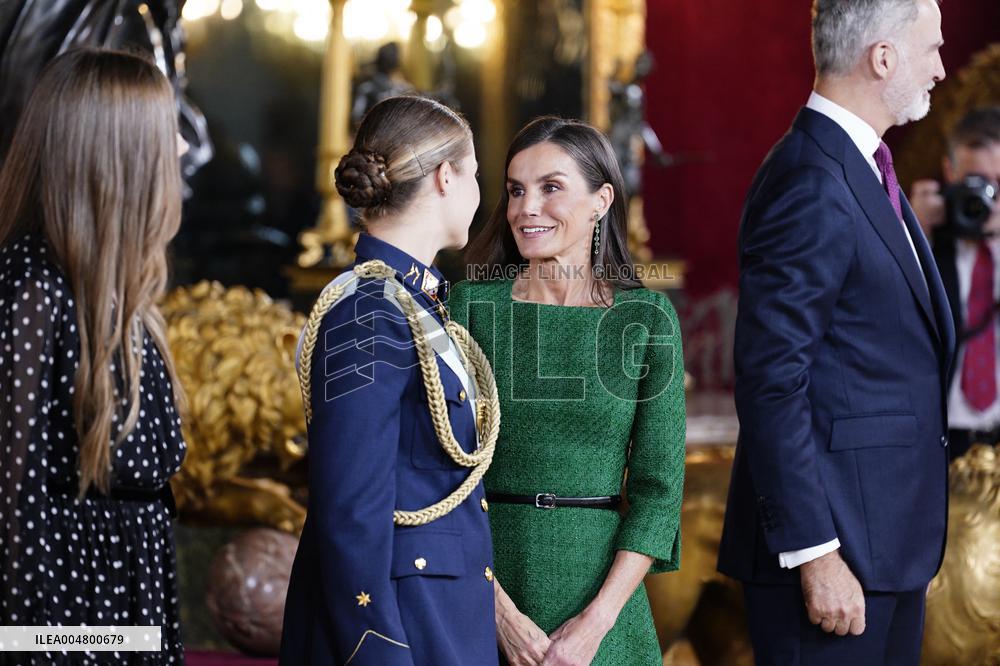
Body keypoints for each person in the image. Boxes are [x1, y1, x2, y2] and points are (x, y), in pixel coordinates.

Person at [718, 0, 951, 663]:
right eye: (931, 48)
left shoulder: (861, 167)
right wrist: (816, 554)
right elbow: (770, 380)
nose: (939, 67)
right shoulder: (811, 178)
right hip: (832, 556)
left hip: (886, 547)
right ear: (884, 58)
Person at [452, 116, 686, 666]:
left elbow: (659, 492)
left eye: (550, 187)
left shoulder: (646, 319)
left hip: (604, 605)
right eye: (515, 190)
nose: (525, 208)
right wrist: (497, 612)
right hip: (482, 587)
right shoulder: (468, 308)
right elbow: (439, 478)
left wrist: (594, 626)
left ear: (601, 200)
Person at [279, 95, 501, 665]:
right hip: (401, 626)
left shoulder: (412, 302)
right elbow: (349, 507)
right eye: (474, 172)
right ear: (446, 176)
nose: (481, 191)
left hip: (438, 615)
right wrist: (376, 649)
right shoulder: (369, 312)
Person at [0, 49, 187, 662]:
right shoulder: (33, 286)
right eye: (168, 132)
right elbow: (12, 506)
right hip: (68, 624)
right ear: (119, 157)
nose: (182, 149)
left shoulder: (117, 296)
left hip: (126, 611)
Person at [910, 107, 1000, 458]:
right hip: (938, 438)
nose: (989, 199)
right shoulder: (924, 241)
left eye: (999, 183)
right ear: (950, 173)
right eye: (978, 182)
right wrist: (912, 232)